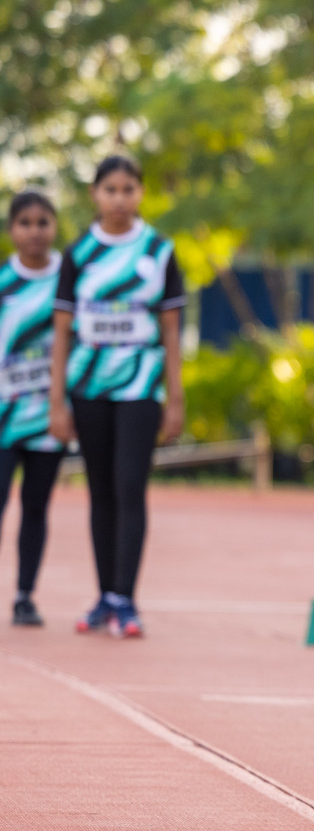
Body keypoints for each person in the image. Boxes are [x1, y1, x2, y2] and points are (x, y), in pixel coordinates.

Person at [49, 155, 186, 638]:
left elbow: (171, 330)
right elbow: (62, 331)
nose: (120, 199)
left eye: (129, 189)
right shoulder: (78, 253)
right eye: (111, 190)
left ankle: (127, 599)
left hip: (140, 387)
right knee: (101, 491)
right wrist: (56, 399)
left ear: (141, 194)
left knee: (131, 486)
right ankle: (105, 595)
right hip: (88, 387)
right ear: (95, 195)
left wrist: (175, 397)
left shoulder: (159, 251)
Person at [2, 192, 67, 626]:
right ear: (11, 230)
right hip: (4, 416)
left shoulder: (70, 279)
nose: (34, 231)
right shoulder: (4, 282)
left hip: (49, 415)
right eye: (25, 222)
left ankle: (25, 594)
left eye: (42, 222)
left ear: (54, 227)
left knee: (36, 506)